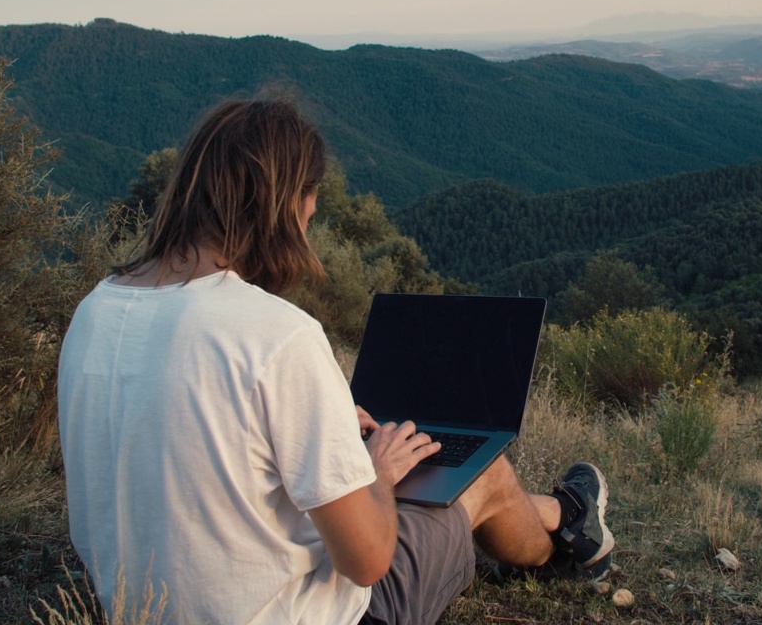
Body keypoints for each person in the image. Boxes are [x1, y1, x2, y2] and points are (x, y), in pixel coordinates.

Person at [57, 97, 615, 625]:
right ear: (282, 205)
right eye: (309, 212)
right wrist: (374, 473)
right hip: (329, 613)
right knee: (485, 473)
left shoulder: (95, 311)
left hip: (135, 607)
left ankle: (561, 514)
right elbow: (367, 562)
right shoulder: (277, 335)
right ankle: (565, 550)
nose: (307, 226)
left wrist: (321, 433)